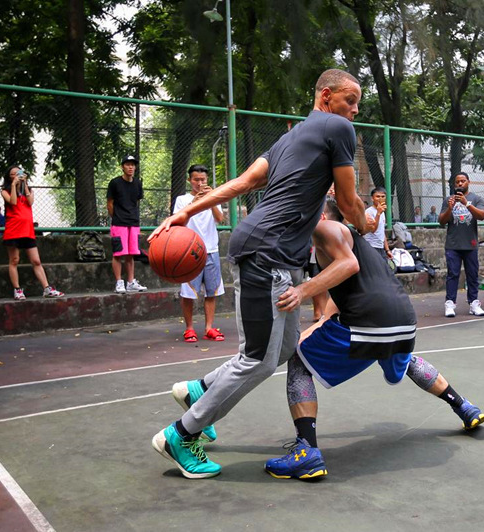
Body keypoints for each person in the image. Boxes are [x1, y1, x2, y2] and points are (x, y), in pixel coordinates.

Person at [150, 69, 371, 479]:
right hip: (268, 252)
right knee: (257, 359)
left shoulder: (289, 139)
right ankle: (181, 434)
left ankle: (198, 390)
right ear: (326, 96)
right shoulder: (337, 128)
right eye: (351, 100)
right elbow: (346, 199)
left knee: (280, 350)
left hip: (270, 251)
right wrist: (365, 222)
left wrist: (185, 211)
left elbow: (241, 183)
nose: (355, 110)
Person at [264, 199, 484, 479]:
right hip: (403, 322)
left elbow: (348, 266)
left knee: (299, 359)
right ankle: (463, 405)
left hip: (368, 321)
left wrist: (302, 291)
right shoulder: (354, 241)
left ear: (321, 215)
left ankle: (306, 451)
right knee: (402, 360)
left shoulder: (326, 229)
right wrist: (321, 323)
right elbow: (342, 287)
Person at [173, 164, 226, 343]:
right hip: (189, 251)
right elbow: (179, 219)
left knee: (211, 292)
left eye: (203, 180)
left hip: (211, 249)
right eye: (196, 180)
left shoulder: (214, 197)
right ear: (190, 180)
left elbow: (220, 219)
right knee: (188, 292)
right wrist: (196, 201)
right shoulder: (182, 199)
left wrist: (210, 200)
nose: (200, 183)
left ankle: (209, 327)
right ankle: (189, 328)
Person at [0, 165, 64, 300]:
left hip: (27, 230)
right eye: (13, 174)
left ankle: (47, 288)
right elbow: (13, 201)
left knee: (36, 261)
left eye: (19, 173)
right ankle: (17, 290)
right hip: (13, 229)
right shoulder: (4, 190)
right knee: (14, 260)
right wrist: (13, 186)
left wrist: (25, 186)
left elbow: (30, 202)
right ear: (9, 177)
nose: (17, 175)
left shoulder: (29, 190)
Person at [439, 172, 484, 317]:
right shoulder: (448, 199)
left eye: (463, 181)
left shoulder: (476, 199)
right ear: (454, 184)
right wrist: (449, 208)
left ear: (468, 182)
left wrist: (467, 204)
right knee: (452, 274)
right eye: (457, 182)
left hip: (470, 244)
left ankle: (473, 303)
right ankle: (450, 304)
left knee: (472, 274)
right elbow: (441, 221)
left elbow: (482, 215)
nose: (460, 184)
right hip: (453, 244)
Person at [107, 155, 147, 294]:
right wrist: (117, 217)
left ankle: (130, 282)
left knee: (131, 253)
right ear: (122, 167)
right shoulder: (115, 183)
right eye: (127, 164)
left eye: (133, 165)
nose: (130, 167)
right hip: (119, 223)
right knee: (118, 253)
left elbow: (136, 202)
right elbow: (110, 203)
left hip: (133, 223)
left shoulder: (137, 183)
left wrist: (133, 218)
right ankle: (119, 282)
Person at [363, 187, 392, 261]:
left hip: (380, 247)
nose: (380, 199)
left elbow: (382, 232)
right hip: (371, 246)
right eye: (377, 196)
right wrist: (378, 214)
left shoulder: (382, 212)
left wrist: (387, 250)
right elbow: (373, 230)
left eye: (382, 196)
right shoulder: (369, 212)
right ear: (372, 198)